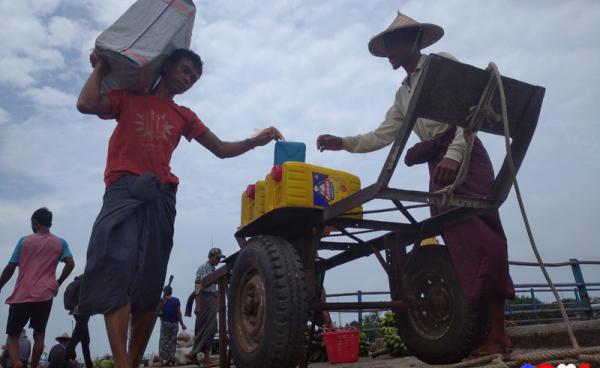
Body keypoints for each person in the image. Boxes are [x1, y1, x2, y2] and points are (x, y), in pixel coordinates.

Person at [316, 12, 515, 355]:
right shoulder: (403, 93)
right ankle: (486, 333)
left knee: (482, 237)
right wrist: (343, 142)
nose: (389, 52)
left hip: (463, 155)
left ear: (414, 42)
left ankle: (499, 333)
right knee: (460, 245)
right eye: (387, 46)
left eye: (393, 44)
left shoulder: (441, 64)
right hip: (438, 166)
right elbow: (382, 134)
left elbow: (469, 112)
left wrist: (453, 155)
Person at [75, 47, 283, 368]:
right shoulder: (129, 98)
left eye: (194, 78)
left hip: (161, 196)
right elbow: (86, 103)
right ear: (168, 65)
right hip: (123, 189)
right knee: (115, 266)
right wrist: (101, 66)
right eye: (185, 70)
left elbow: (222, 149)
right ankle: (121, 362)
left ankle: (130, 361)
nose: (188, 79)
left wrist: (255, 141)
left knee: (149, 283)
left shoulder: (184, 115)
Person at [0, 208, 75, 368]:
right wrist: (58, 282)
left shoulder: (24, 241)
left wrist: (0, 286)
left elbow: (10, 267)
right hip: (45, 295)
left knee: (12, 335)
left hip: (22, 294)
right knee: (39, 334)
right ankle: (33, 366)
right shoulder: (60, 243)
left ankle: (16, 363)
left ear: (35, 222)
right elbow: (71, 263)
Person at [187, 248, 225, 366]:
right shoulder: (204, 267)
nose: (218, 260)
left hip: (211, 299)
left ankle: (205, 356)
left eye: (220, 258)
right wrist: (197, 305)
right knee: (203, 327)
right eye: (217, 258)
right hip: (204, 299)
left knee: (212, 328)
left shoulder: (213, 269)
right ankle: (195, 354)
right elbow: (198, 285)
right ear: (211, 257)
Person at [61, 275, 92, 368]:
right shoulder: (88, 279)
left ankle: (89, 365)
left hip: (75, 310)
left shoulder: (78, 281)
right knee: (75, 339)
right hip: (83, 310)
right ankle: (63, 364)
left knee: (85, 340)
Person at [158, 286, 186, 366]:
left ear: (165, 292)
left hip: (165, 323)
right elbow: (179, 313)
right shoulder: (176, 300)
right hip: (174, 324)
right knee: (172, 342)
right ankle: (170, 360)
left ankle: (162, 360)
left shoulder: (162, 301)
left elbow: (159, 313)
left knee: (163, 341)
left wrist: (161, 307)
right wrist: (182, 324)